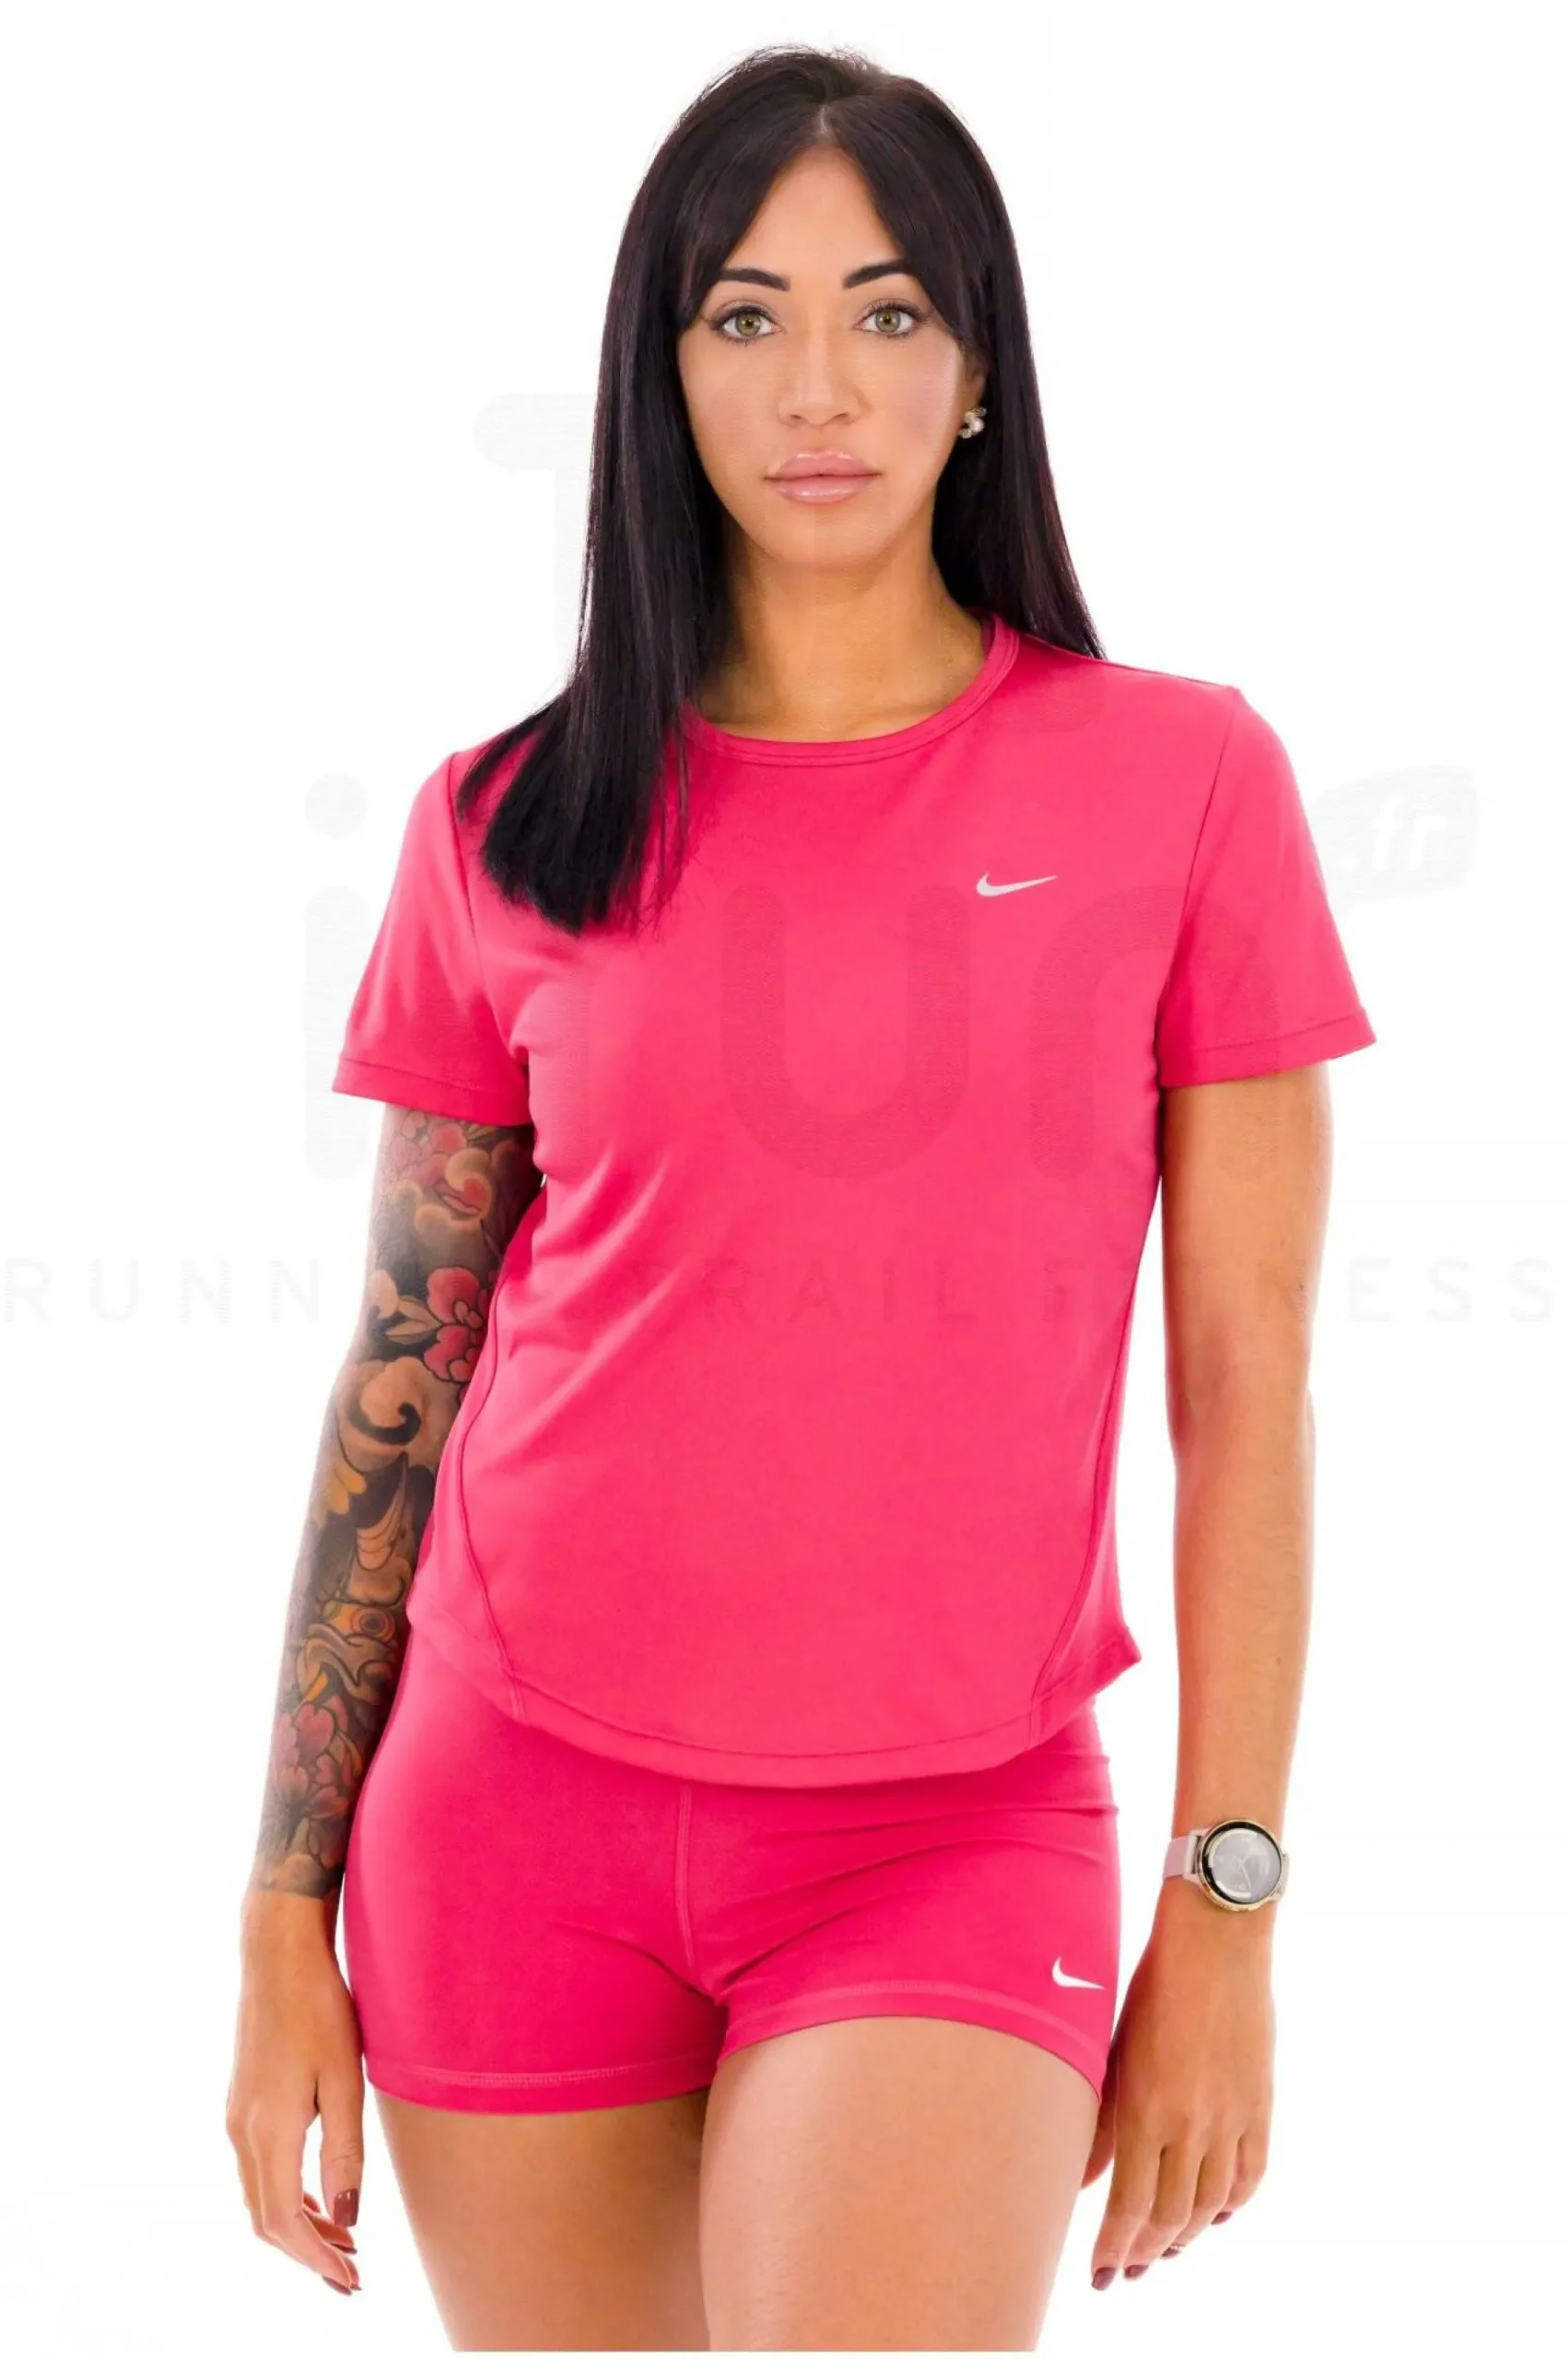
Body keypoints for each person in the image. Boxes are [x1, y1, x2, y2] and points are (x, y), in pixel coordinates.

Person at [227, 41, 1375, 2351]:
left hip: (943, 1831)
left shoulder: (1180, 781)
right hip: (500, 1817)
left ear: (977, 365)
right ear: (660, 376)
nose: (816, 387)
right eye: (742, 316)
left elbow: (1241, 1379)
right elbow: (408, 1360)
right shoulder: (502, 820)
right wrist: (279, 1907)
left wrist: (1225, 1904)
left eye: (886, 311)